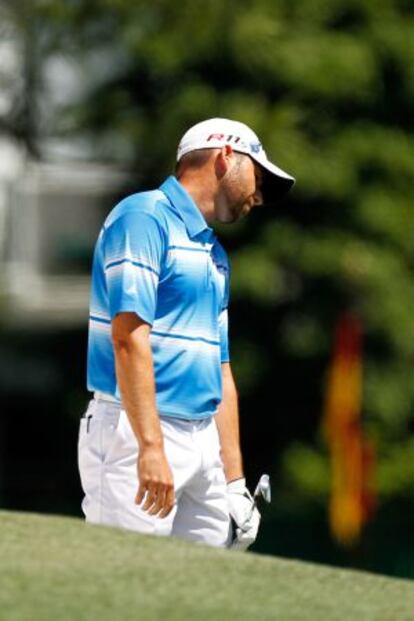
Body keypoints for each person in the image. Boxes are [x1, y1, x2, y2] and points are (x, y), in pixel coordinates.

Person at [78, 118, 295, 549]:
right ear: (226, 156)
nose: (260, 196)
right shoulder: (143, 218)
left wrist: (234, 482)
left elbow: (221, 371)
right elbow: (128, 338)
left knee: (196, 595)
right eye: (259, 176)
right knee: (126, 587)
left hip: (203, 442)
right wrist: (151, 446)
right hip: (136, 428)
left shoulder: (214, 254)